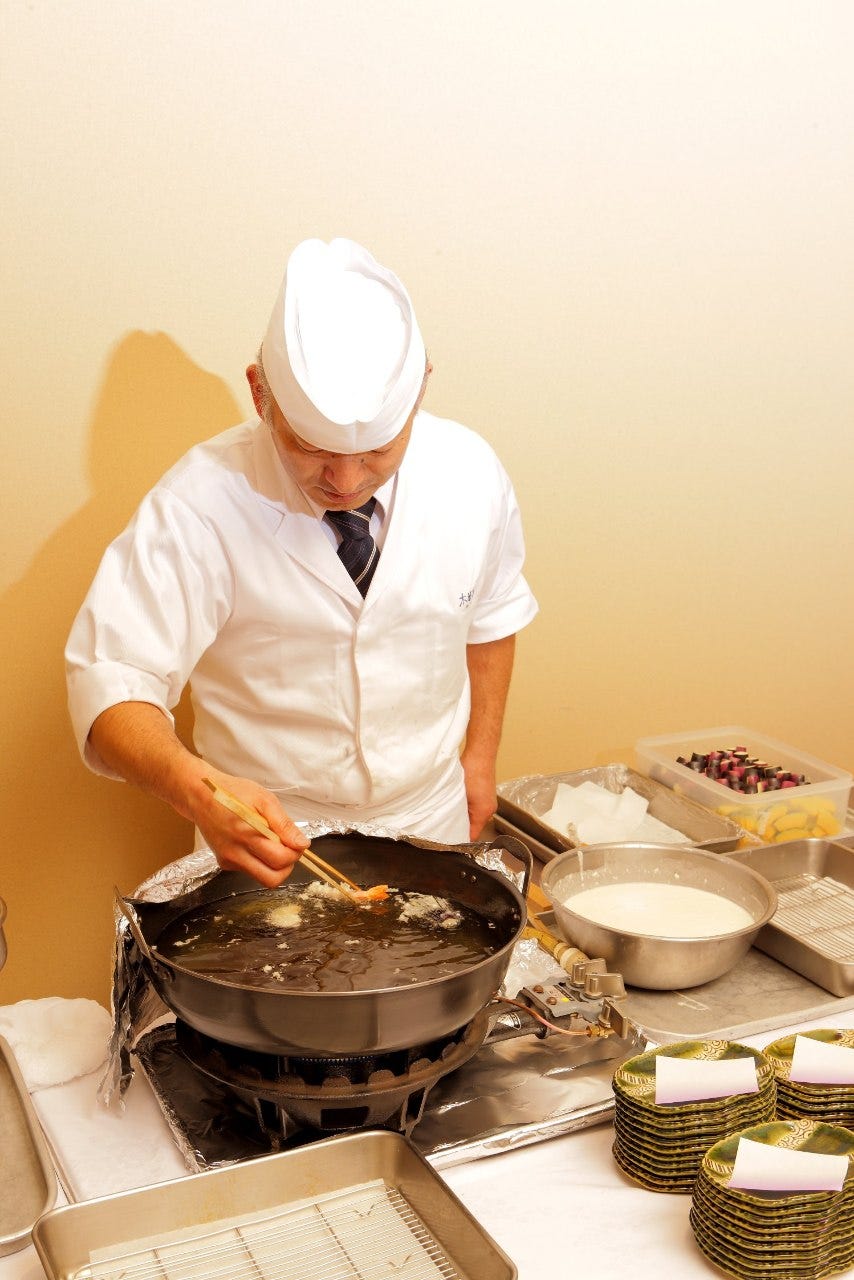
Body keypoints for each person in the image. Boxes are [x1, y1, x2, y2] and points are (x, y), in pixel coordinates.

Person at [66, 237, 538, 887]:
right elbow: (112, 683)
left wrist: (480, 759)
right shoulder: (198, 503)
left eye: (377, 450)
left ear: (421, 390)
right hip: (265, 837)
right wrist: (197, 790)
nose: (346, 481)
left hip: (430, 815)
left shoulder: (471, 473)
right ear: (260, 393)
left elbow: (491, 616)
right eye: (310, 446)